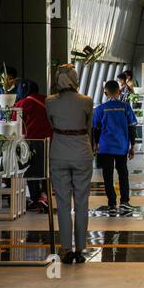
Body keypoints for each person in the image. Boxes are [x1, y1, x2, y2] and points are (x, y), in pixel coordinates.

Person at [46, 64, 94, 264]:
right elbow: (88, 126)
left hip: (58, 153)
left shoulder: (50, 102)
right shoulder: (87, 101)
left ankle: (66, 249)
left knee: (63, 204)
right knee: (82, 202)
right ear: (75, 79)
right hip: (82, 152)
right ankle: (81, 249)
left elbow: (51, 125)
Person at [93, 81, 138, 216]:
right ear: (119, 92)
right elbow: (132, 127)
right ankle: (124, 201)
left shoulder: (100, 109)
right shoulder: (125, 107)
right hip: (121, 146)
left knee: (107, 175)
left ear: (105, 93)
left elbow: (96, 128)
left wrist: (95, 144)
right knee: (123, 173)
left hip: (105, 147)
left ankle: (111, 203)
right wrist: (133, 145)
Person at [14, 80, 53, 213]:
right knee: (48, 171)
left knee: (31, 171)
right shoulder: (49, 101)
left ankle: (36, 199)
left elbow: (13, 122)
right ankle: (45, 195)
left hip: (31, 142)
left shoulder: (22, 103)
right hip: (51, 141)